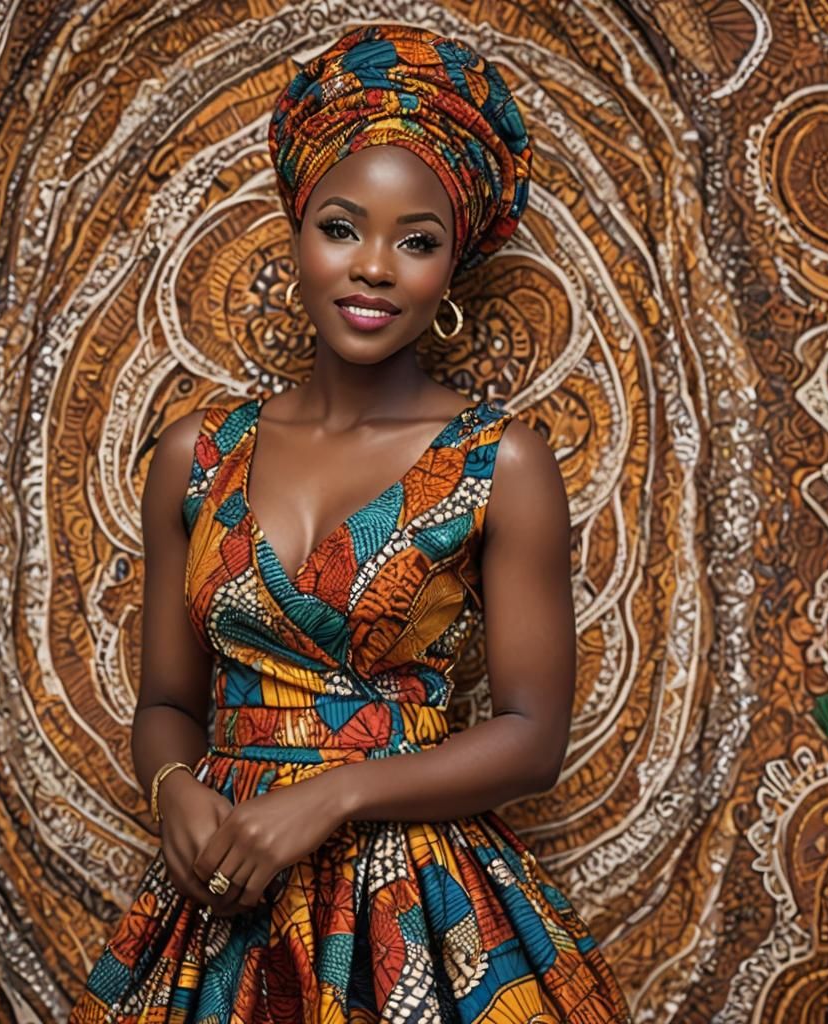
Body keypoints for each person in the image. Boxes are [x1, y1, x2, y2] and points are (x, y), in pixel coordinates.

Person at [70, 22, 632, 1023]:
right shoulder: (196, 455)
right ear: (297, 233)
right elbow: (165, 702)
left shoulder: (500, 464)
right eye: (342, 227)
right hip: (225, 897)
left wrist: (331, 796)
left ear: (452, 267)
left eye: (416, 241)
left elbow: (532, 737)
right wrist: (174, 791)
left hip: (413, 903)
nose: (374, 266)